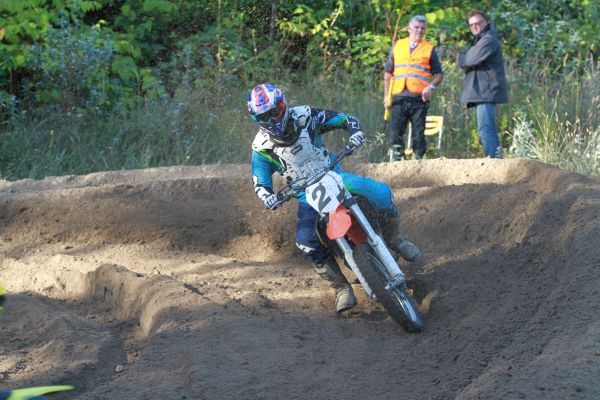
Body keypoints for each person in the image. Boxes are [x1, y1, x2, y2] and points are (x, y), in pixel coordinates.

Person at [248, 83, 421, 313]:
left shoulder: (305, 116)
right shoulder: (261, 148)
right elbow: (260, 181)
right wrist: (267, 197)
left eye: (276, 111)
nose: (273, 119)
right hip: (305, 194)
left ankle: (395, 238)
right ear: (257, 119)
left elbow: (343, 119)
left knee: (380, 193)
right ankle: (340, 287)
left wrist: (355, 132)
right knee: (305, 241)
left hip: (333, 175)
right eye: (265, 117)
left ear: (284, 105)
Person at [383, 15, 443, 161]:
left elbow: (439, 75)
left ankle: (419, 161)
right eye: (416, 27)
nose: (419, 31)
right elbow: (388, 73)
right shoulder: (398, 45)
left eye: (422, 28)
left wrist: (430, 87)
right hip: (398, 96)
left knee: (418, 134)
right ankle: (397, 162)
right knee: (396, 133)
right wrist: (386, 96)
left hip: (419, 98)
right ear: (409, 28)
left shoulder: (429, 49)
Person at [458, 10, 508, 158]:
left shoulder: (488, 39)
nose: (474, 26)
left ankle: (495, 162)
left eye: (477, 23)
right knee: (485, 128)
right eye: (471, 24)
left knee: (486, 128)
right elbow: (469, 59)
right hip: (483, 91)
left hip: (486, 91)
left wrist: (463, 58)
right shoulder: (480, 40)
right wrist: (466, 58)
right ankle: (495, 160)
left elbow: (469, 60)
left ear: (485, 22)